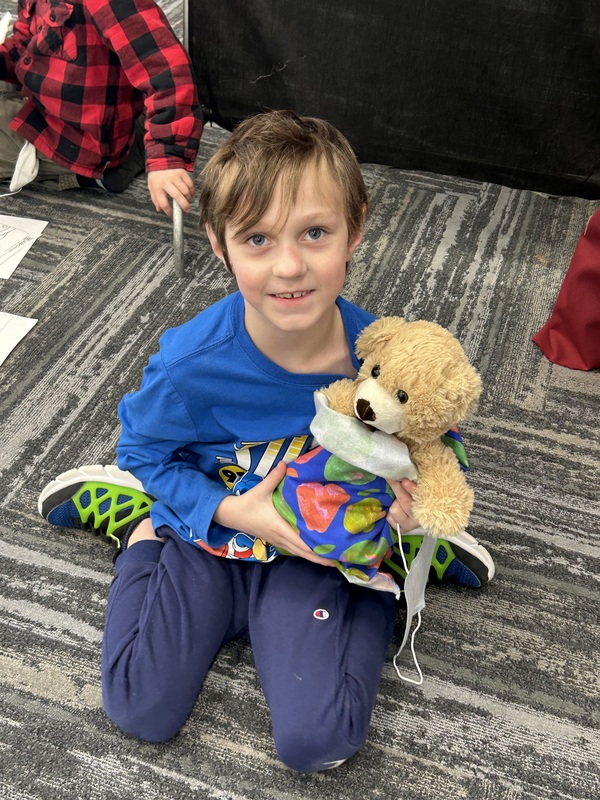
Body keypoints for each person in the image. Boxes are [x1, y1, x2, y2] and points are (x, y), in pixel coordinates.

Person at [38, 110, 495, 772]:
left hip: (322, 539)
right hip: (213, 526)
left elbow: (433, 433)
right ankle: (136, 526)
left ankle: (398, 553)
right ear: (218, 245)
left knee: (319, 744)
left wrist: (416, 502)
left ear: (354, 231)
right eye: (256, 238)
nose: (289, 266)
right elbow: (144, 452)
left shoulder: (383, 355)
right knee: (140, 707)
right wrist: (227, 511)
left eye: (315, 232)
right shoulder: (190, 364)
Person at [0, 1, 202, 215]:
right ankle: (134, 144)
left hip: (79, 138)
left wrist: (167, 154)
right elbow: (25, 46)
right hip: (55, 96)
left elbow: (169, 72)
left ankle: (94, 172)